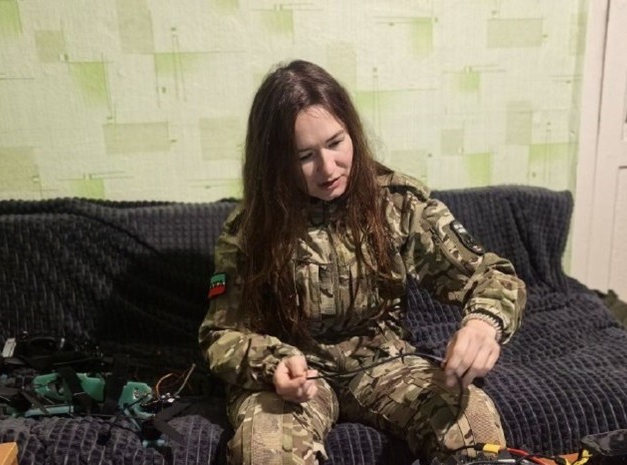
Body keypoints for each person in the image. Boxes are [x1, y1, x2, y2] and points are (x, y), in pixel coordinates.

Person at [199, 59, 526, 465]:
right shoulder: (249, 228)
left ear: (352, 131)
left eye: (336, 143)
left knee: (470, 423)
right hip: (295, 375)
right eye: (304, 156)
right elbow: (220, 334)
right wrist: (272, 364)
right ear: (275, 161)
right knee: (265, 450)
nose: (328, 168)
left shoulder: (397, 203)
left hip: (385, 364)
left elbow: (492, 275)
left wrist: (483, 324)